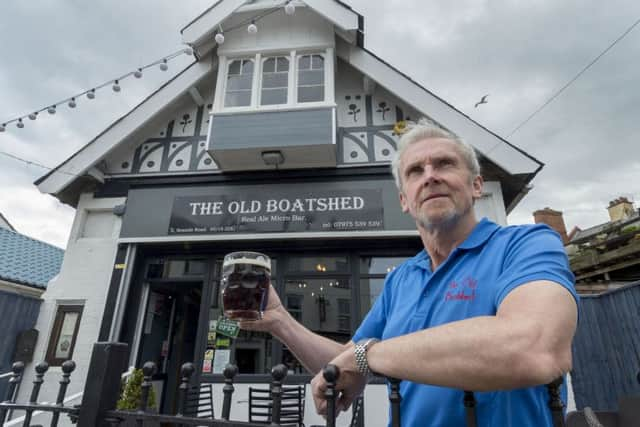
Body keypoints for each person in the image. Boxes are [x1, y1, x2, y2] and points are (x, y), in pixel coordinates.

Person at [241, 121, 578, 427]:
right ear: (405, 200)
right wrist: (279, 320)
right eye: (416, 170)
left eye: (445, 163)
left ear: (476, 185)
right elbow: (343, 363)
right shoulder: (401, 278)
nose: (430, 175)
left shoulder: (525, 244)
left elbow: (536, 347)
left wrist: (369, 355)